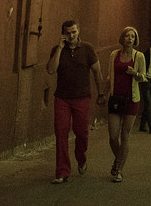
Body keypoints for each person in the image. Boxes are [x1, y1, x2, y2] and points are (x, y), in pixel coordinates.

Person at [45, 20, 103, 184]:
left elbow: (97, 72)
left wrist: (101, 93)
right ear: (63, 34)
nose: (71, 36)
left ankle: (81, 157)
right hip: (62, 98)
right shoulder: (57, 50)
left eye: (74, 32)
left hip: (82, 98)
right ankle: (62, 171)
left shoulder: (87, 49)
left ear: (79, 31)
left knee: (82, 132)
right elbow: (50, 70)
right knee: (61, 133)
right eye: (68, 33)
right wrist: (60, 49)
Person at [106, 26, 146, 183]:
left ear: (136, 40)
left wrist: (135, 74)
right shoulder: (113, 55)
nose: (130, 39)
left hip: (131, 100)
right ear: (122, 38)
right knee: (113, 137)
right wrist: (103, 93)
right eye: (127, 36)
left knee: (125, 135)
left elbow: (144, 77)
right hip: (115, 98)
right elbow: (110, 76)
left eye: (133, 37)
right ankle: (118, 160)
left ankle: (119, 170)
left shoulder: (139, 56)